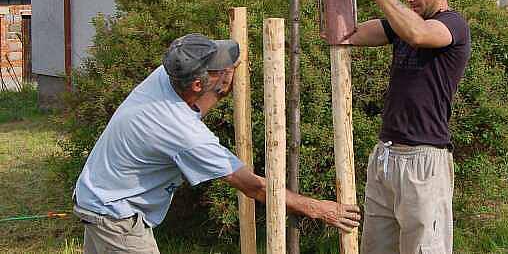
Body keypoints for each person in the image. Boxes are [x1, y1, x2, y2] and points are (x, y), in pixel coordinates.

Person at [73, 34, 360, 253]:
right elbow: (254, 186)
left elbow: (193, 107)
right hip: (116, 217)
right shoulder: (183, 133)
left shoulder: (167, 75)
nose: (229, 67)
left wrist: (220, 85)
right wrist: (318, 209)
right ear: (197, 84)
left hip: (99, 199)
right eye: (219, 68)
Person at [310, 0, 471, 254]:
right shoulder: (401, 25)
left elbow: (418, 34)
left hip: (424, 159)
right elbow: (343, 35)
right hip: (385, 157)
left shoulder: (453, 25)